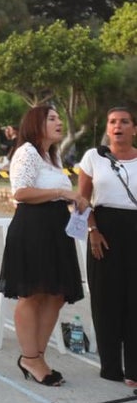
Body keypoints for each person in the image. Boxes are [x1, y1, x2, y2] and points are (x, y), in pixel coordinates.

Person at [0, 106, 88, 387]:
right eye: (52, 118)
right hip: (33, 228)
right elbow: (21, 192)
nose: (59, 122)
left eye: (59, 117)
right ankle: (30, 358)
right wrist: (62, 192)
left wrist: (72, 201)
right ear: (36, 124)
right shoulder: (26, 152)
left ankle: (37, 354)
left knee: (56, 294)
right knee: (33, 294)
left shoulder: (53, 155)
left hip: (55, 228)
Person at [79, 106, 137, 386]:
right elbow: (82, 200)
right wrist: (92, 229)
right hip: (103, 231)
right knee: (106, 298)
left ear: (134, 129)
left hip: (134, 230)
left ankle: (134, 370)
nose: (118, 126)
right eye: (113, 121)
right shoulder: (94, 157)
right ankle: (111, 366)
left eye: (125, 122)